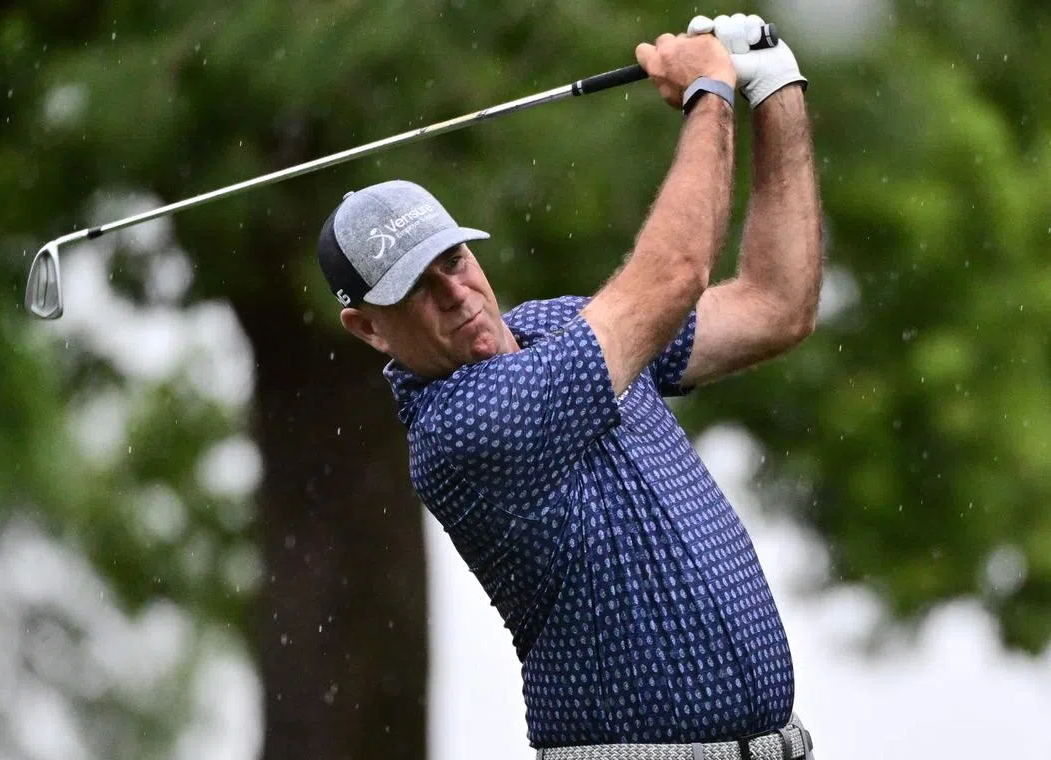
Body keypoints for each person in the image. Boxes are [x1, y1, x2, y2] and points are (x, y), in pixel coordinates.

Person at [316, 13, 822, 760]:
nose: (455, 293)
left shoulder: (558, 324)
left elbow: (776, 307)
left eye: (453, 260)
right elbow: (675, 274)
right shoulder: (464, 428)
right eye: (416, 287)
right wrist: (709, 91)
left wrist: (774, 85)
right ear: (369, 330)